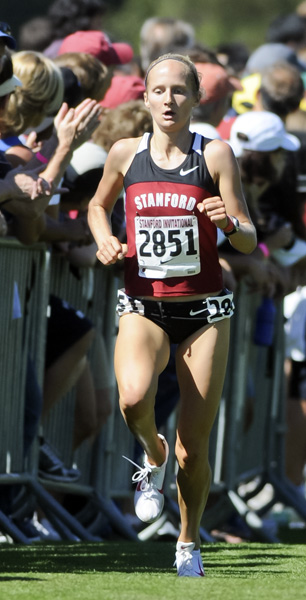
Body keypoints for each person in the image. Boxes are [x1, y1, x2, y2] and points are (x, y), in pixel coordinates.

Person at [88, 53, 256, 576]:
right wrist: (105, 240)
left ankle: (187, 542)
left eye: (179, 91)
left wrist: (228, 222)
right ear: (145, 97)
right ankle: (150, 455)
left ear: (195, 99)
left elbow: (248, 240)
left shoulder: (216, 154)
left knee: (194, 448)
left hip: (204, 313)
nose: (168, 99)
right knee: (133, 399)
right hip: (145, 305)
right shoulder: (123, 153)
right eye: (159, 90)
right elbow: (97, 206)